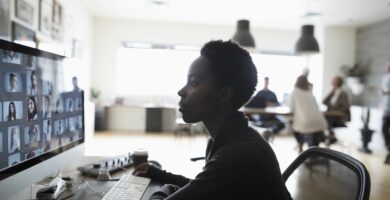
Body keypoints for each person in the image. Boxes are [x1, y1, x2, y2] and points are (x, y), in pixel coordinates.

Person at [133, 40, 291, 200]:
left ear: (224, 94)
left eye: (193, 82)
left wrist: (168, 188)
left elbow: (201, 187)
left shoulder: (237, 155)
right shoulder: (227, 139)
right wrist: (160, 175)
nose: (181, 91)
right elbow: (204, 186)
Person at [289, 75, 328, 152]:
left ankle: (300, 146)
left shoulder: (294, 92)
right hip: (319, 121)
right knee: (313, 135)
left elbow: (291, 109)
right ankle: (313, 150)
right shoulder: (310, 93)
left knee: (295, 128)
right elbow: (317, 106)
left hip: (306, 123)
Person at [323, 76, 351, 144]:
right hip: (331, 116)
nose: (332, 81)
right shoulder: (332, 92)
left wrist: (334, 112)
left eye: (334, 80)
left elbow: (346, 107)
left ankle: (331, 136)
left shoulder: (343, 93)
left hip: (339, 118)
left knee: (328, 119)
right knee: (323, 119)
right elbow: (324, 102)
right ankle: (330, 136)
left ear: (338, 82)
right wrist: (331, 93)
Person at [381, 59, 390, 164]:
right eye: (387, 65)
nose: (388, 67)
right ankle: (389, 149)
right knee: (384, 129)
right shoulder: (384, 78)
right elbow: (383, 91)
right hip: (386, 109)